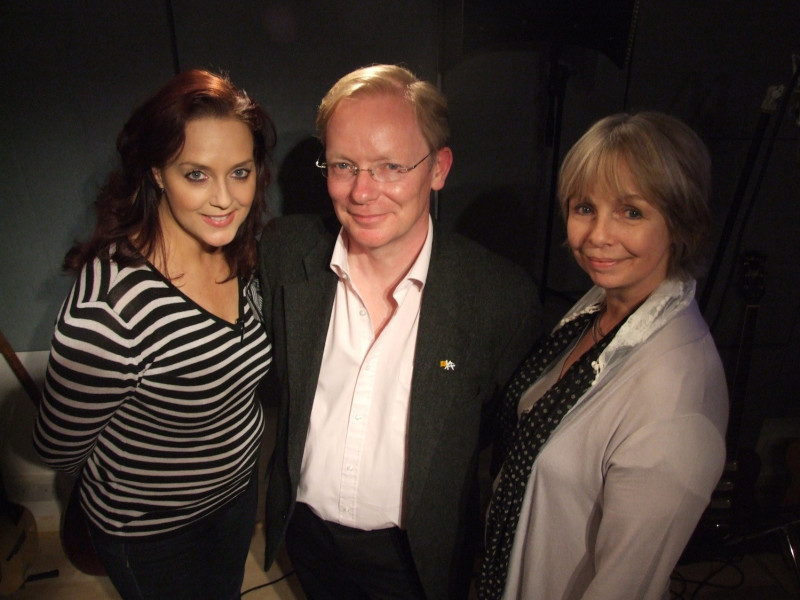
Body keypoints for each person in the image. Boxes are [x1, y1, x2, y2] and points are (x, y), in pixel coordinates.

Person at [258, 64, 540, 599]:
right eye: (344, 165)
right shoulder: (284, 253)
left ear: (438, 168)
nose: (364, 192)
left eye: (390, 166)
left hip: (419, 556)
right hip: (309, 536)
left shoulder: (499, 296)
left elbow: (496, 435)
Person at [32, 69, 276, 600]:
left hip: (236, 496)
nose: (223, 199)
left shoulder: (241, 249)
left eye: (240, 172)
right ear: (157, 173)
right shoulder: (112, 308)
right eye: (196, 174)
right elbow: (57, 444)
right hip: (153, 531)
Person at [477, 111, 729, 600]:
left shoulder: (676, 396)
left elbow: (625, 587)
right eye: (584, 207)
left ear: (679, 222)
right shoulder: (596, 308)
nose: (597, 235)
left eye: (631, 212)